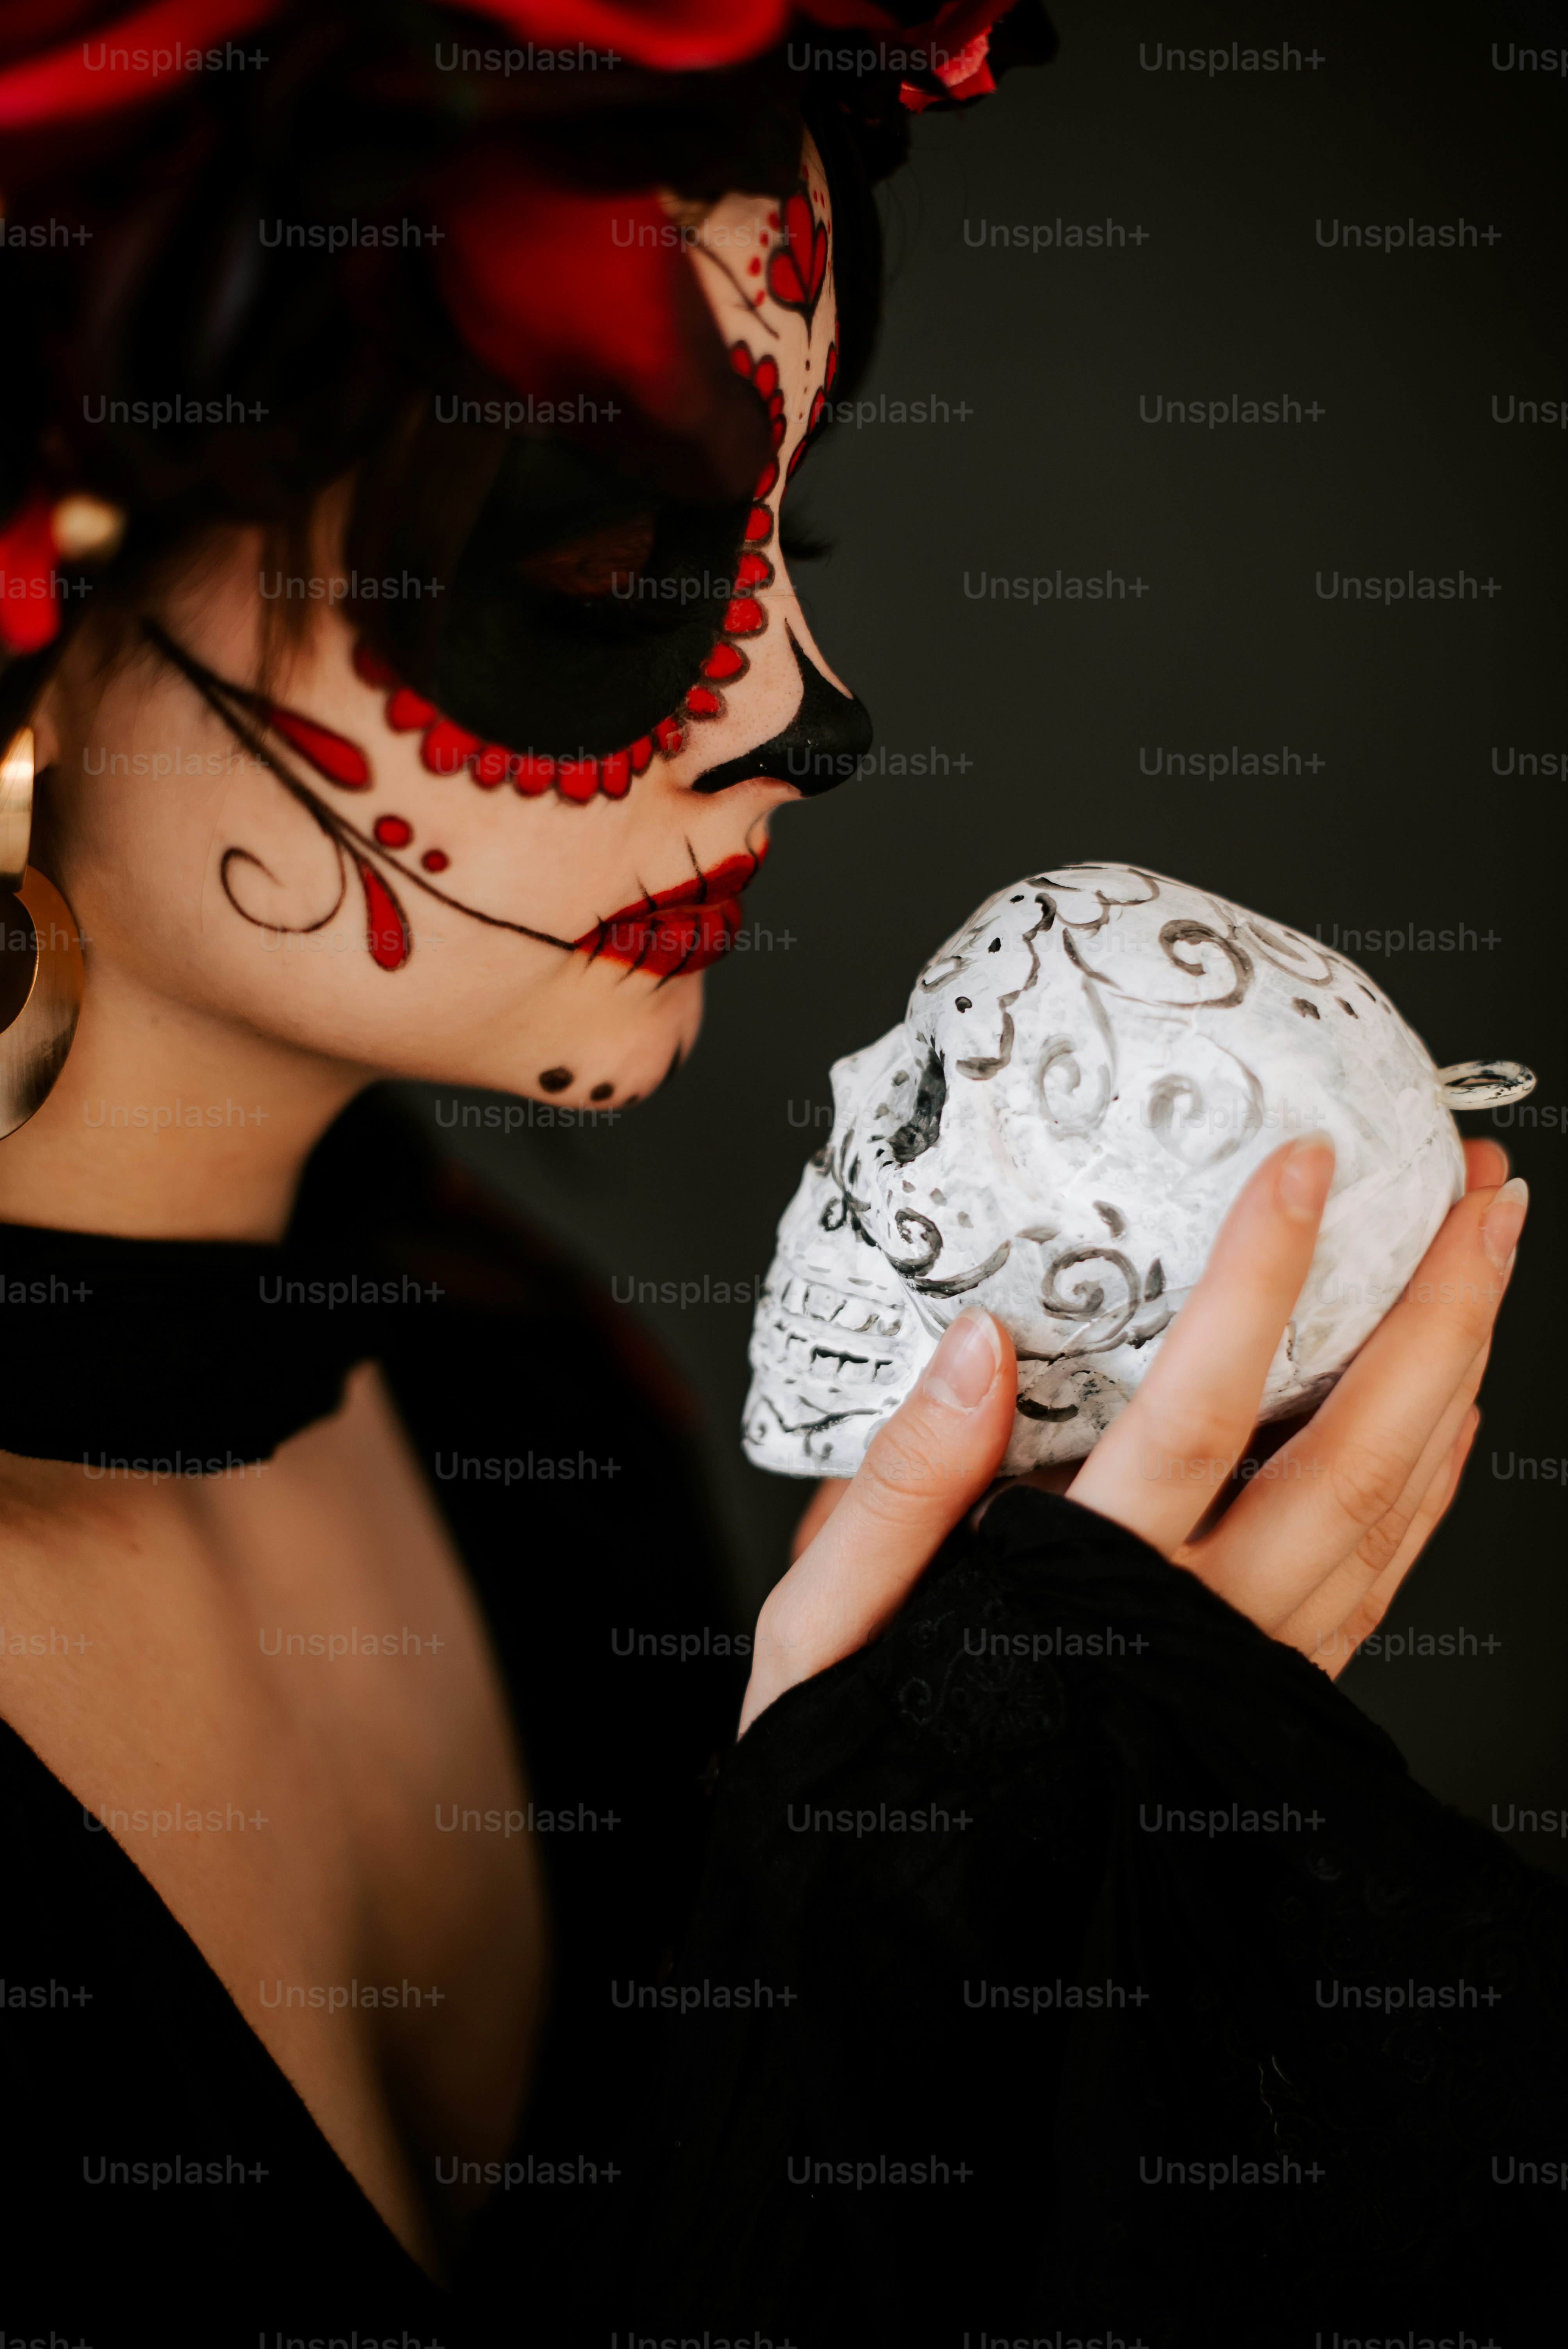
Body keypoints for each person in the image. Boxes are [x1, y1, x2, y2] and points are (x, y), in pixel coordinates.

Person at [0, 7, 1558, 2344]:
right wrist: (901, 1940)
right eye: (609, 557)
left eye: (787, 530)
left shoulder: (529, 1414)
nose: (804, 705)